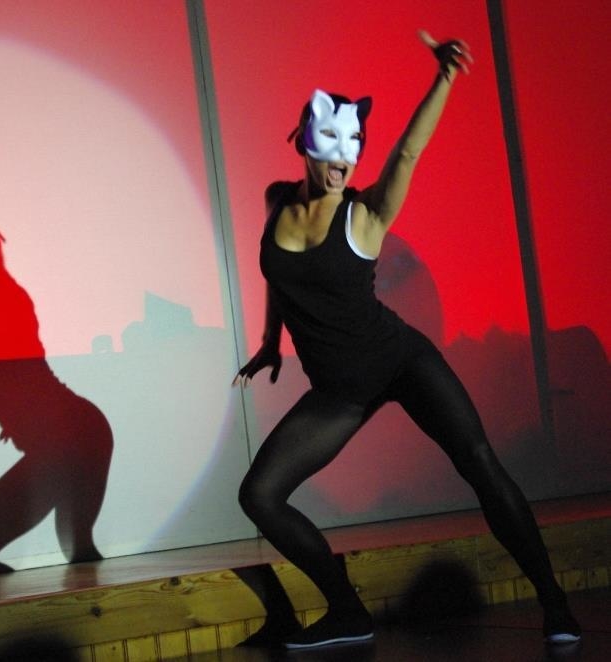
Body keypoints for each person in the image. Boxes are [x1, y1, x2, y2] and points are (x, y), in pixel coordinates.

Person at [232, 30, 580, 649]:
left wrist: (443, 78)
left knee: (478, 461)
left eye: (353, 149)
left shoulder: (364, 214)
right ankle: (348, 611)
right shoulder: (276, 202)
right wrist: (268, 340)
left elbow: (410, 151)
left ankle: (555, 602)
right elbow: (279, 279)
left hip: (398, 359)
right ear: (305, 141)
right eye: (331, 146)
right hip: (340, 390)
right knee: (259, 495)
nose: (344, 161)